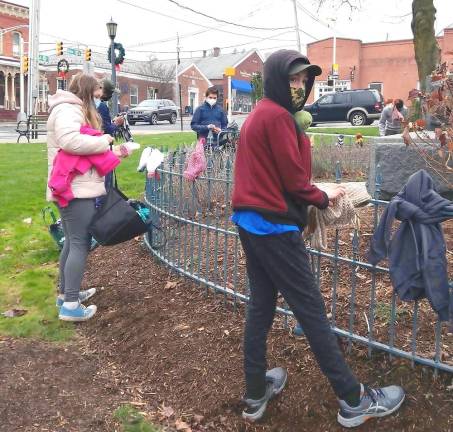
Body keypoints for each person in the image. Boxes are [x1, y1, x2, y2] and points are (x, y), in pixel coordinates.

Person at [231, 49, 405, 427]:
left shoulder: (260, 114)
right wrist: (324, 195)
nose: (298, 87)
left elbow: (271, 175)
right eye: (292, 79)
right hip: (275, 229)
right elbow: (295, 182)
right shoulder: (278, 118)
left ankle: (255, 393)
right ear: (277, 79)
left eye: (303, 81)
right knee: (311, 314)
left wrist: (309, 185)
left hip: (250, 222)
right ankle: (354, 399)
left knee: (260, 308)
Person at [46, 73, 115, 322]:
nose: (98, 100)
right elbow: (70, 141)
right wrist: (105, 142)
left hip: (71, 186)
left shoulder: (67, 108)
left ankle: (67, 295)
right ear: (86, 93)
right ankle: (71, 305)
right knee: (79, 243)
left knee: (71, 242)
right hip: (75, 189)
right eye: (96, 96)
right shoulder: (69, 109)